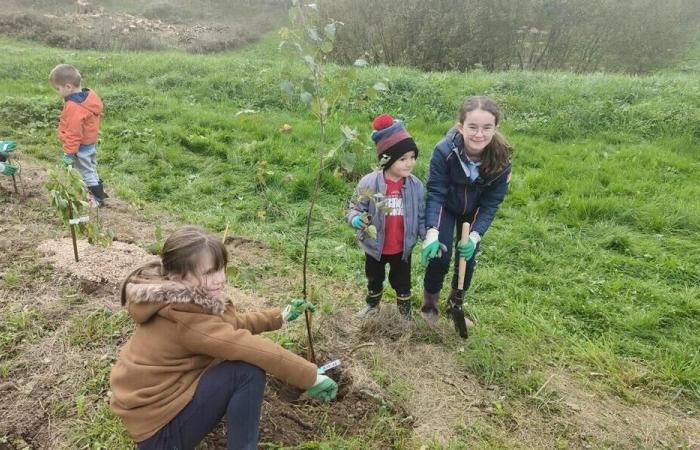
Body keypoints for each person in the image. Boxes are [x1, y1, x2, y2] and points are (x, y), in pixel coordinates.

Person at [109, 226, 338, 450]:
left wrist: (279, 317)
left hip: (154, 414)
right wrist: (310, 377)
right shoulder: (184, 317)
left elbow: (227, 327)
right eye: (209, 273)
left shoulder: (177, 298)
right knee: (245, 373)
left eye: (221, 268)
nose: (221, 279)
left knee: (231, 366)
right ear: (179, 276)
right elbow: (247, 346)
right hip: (161, 436)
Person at [420, 96, 512, 336]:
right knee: (440, 254)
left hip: (475, 211)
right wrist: (432, 232)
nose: (479, 134)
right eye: (473, 127)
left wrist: (475, 236)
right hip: (447, 207)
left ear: (495, 128)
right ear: (461, 126)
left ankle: (455, 305)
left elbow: (491, 203)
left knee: (467, 259)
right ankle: (429, 306)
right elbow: (436, 193)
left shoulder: (502, 160)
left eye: (487, 128)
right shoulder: (444, 152)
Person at [347, 114, 425, 321]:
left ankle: (404, 314)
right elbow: (355, 207)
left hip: (402, 248)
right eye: (403, 159)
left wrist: (427, 238)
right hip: (375, 246)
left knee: (403, 282)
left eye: (413, 157)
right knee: (374, 278)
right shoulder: (369, 183)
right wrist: (356, 219)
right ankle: (372, 306)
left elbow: (421, 215)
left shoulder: (415, 186)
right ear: (387, 159)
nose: (410, 163)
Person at [48, 64, 108, 206]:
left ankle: (97, 199)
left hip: (80, 147)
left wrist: (69, 153)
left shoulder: (74, 107)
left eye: (58, 89)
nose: (58, 92)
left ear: (68, 87)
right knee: (90, 169)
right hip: (89, 143)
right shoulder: (87, 99)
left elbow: (73, 133)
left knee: (85, 172)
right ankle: (98, 194)